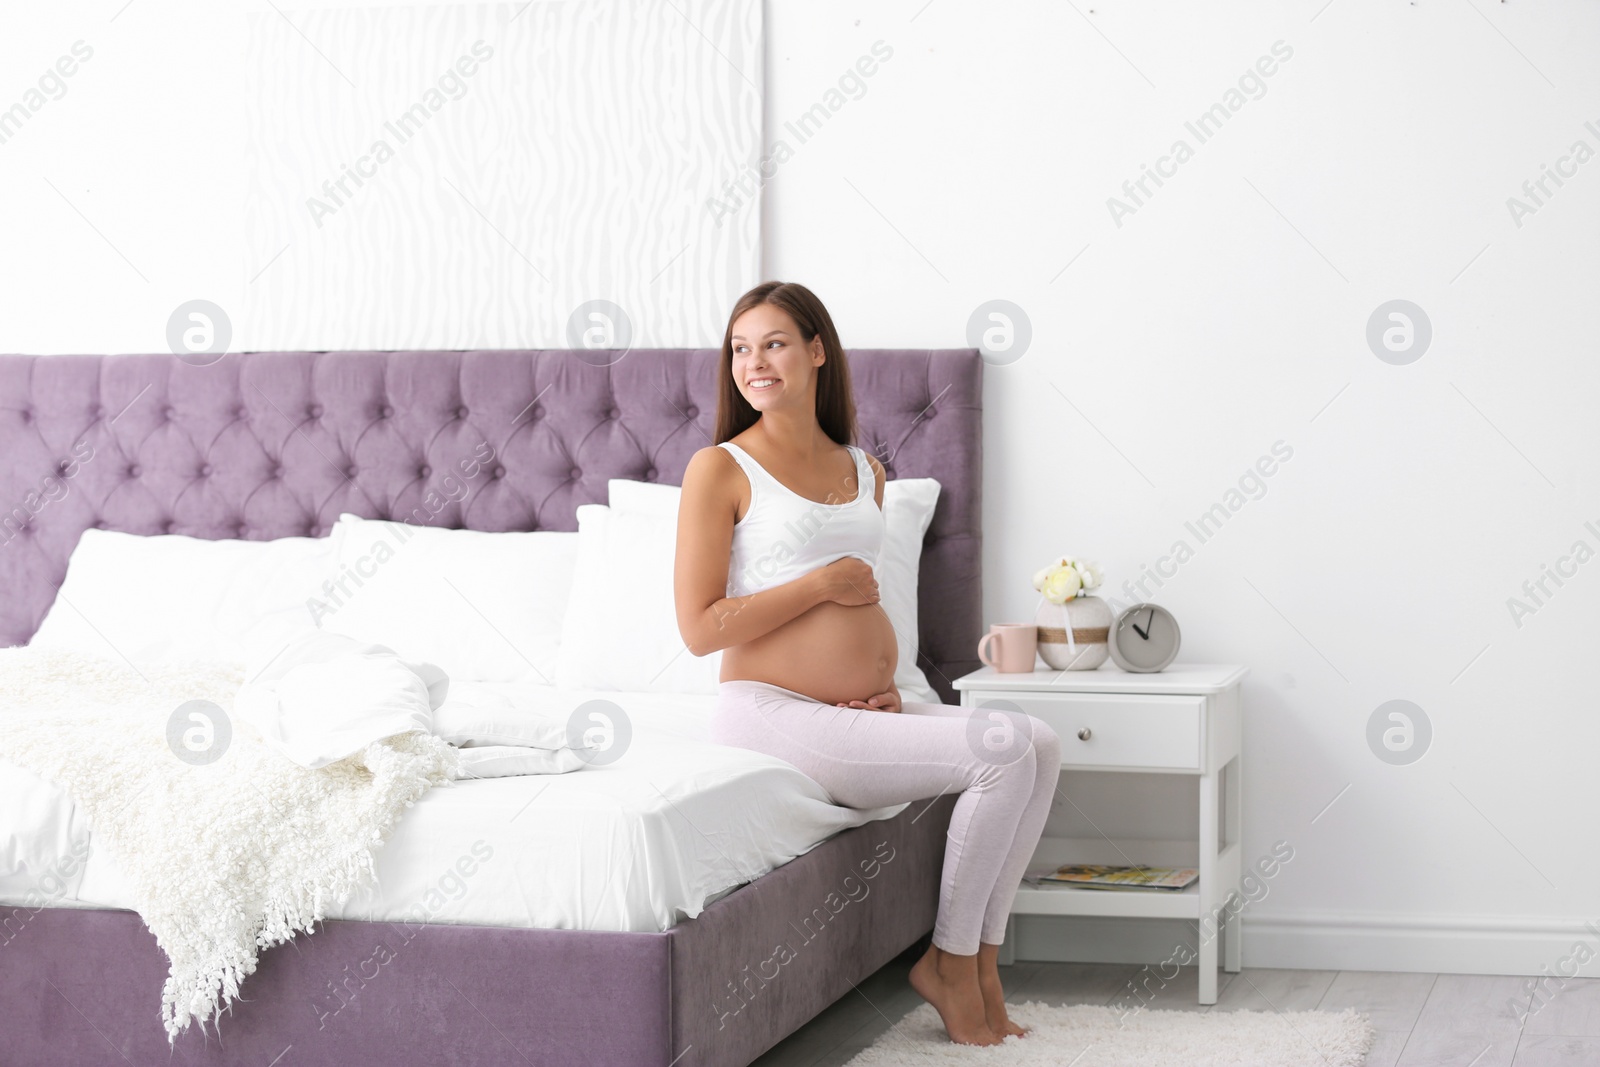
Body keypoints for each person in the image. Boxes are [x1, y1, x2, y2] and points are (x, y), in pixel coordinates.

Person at [673, 280, 1060, 1046]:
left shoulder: (865, 468)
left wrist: (883, 686)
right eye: (740, 348)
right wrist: (819, 583)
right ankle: (949, 963)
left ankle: (980, 963)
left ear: (817, 351)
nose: (754, 362)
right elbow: (700, 626)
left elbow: (864, 612)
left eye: (774, 343)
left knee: (1040, 743)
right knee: (1004, 750)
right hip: (769, 713)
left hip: (851, 712)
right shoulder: (718, 468)